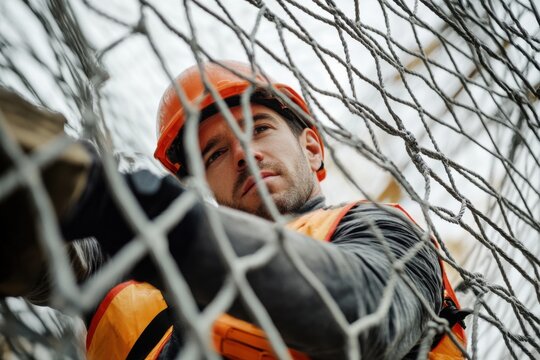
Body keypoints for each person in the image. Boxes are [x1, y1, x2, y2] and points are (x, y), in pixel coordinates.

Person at [0, 61, 468, 359]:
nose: (244, 152)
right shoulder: (134, 275)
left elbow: (367, 317)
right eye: (216, 154)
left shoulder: (380, 231)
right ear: (204, 185)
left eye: (260, 128)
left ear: (313, 148)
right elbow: (51, 257)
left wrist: (129, 211)